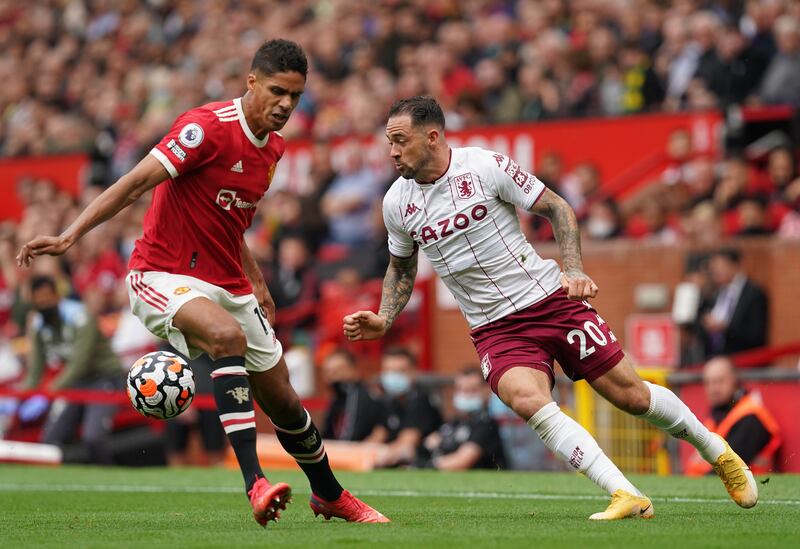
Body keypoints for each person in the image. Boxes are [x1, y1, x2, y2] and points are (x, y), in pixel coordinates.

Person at [17, 39, 387, 526]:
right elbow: (134, 182)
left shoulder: (272, 150)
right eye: (277, 91)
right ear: (251, 82)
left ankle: (329, 494)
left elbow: (230, 224)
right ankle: (254, 482)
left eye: (296, 97)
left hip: (228, 282)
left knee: (285, 401)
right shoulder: (205, 128)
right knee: (225, 337)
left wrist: (257, 281)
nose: (286, 105)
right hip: (162, 273)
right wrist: (70, 236)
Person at [343, 96, 758, 520]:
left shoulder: (485, 167)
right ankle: (624, 493)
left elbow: (557, 208)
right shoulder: (396, 203)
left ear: (432, 137)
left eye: (399, 140)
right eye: (388, 142)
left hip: (549, 301)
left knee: (631, 396)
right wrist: (385, 316)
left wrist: (574, 270)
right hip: (494, 329)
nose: (391, 151)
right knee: (527, 399)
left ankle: (718, 451)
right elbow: (401, 265)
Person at [22, 275, 121, 464]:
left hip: (103, 379)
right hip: (75, 384)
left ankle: (109, 478)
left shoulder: (80, 316)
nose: (43, 303)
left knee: (93, 437)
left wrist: (49, 392)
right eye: (39, 299)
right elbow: (35, 369)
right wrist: (21, 395)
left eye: (46, 297)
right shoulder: (38, 325)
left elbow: (79, 362)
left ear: (56, 295)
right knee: (49, 440)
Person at [686, 356, 781, 475]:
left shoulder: (751, 417)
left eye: (719, 381)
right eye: (708, 383)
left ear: (735, 380)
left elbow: (728, 469)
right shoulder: (719, 415)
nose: (713, 388)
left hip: (747, 490)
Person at [417, 368, 506, 471]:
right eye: (460, 389)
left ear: (486, 391)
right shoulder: (453, 423)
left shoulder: (486, 423)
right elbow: (429, 444)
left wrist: (425, 465)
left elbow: (462, 461)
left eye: (472, 390)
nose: (465, 395)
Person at [370, 347, 442, 467]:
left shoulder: (420, 400)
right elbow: (378, 436)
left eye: (400, 371)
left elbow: (407, 443)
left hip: (422, 464)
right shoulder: (389, 402)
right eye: (389, 370)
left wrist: (376, 455)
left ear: (414, 372)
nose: (393, 376)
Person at [701, 248, 768, 358]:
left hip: (743, 360)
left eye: (720, 267)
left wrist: (725, 328)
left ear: (735, 266)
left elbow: (756, 335)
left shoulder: (753, 294)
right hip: (715, 358)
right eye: (713, 268)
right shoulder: (716, 293)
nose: (716, 272)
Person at [319, 348, 382, 441]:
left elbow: (351, 438)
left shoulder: (368, 396)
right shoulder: (336, 399)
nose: (333, 376)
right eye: (328, 372)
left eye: (338, 370)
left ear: (354, 370)